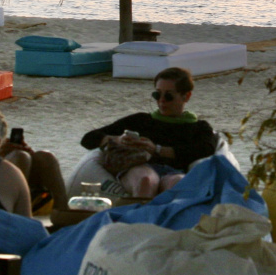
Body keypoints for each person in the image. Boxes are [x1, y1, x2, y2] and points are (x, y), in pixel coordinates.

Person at [80, 66, 217, 198]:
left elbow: (206, 148)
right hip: (140, 168)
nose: (161, 100)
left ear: (186, 96)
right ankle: (141, 213)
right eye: (157, 94)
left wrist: (157, 149)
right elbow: (88, 139)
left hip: (174, 172)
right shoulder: (141, 120)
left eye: (168, 96)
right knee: (146, 180)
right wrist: (118, 139)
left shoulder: (198, 127)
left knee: (177, 183)